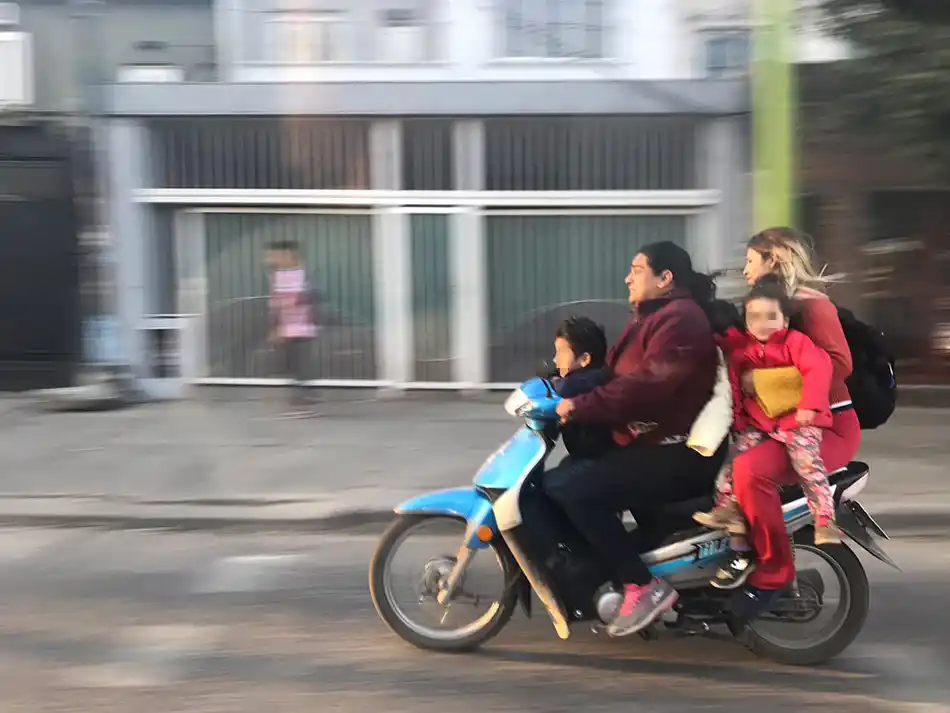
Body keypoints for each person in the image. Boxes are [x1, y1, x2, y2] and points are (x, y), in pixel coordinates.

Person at [545, 241, 724, 637]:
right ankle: (598, 574)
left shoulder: (680, 320)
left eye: (637, 269)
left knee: (578, 491)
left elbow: (646, 387)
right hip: (651, 444)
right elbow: (612, 375)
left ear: (665, 278)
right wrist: (557, 388)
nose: (628, 277)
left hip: (680, 452)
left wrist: (580, 408)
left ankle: (640, 585)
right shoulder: (651, 317)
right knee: (558, 480)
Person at [718, 227, 860, 614]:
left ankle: (774, 573)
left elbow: (839, 364)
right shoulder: (766, 305)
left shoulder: (812, 305)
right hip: (779, 425)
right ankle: (738, 547)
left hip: (825, 426)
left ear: (773, 259)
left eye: (751, 260)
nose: (745, 270)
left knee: (750, 471)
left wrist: (761, 380)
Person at [692, 275, 840, 589]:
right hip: (762, 426)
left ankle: (825, 519)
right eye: (755, 317)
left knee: (807, 465)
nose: (764, 324)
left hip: (799, 423)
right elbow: (732, 380)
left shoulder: (796, 344)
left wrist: (810, 405)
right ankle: (733, 522)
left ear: (785, 319)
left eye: (771, 317)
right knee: (731, 465)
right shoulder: (741, 349)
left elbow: (819, 367)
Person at [267, 240, 319, 415]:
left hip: (304, 328)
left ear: (290, 254)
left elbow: (314, 297)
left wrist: (300, 300)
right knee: (288, 364)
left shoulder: (305, 274)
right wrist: (276, 327)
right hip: (285, 329)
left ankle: (304, 398)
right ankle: (301, 396)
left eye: (277, 255)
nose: (273, 259)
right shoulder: (276, 276)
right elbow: (275, 303)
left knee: (302, 363)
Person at [551, 317, 614, 461]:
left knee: (553, 482)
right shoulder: (598, 376)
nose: (555, 359)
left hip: (596, 460)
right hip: (590, 456)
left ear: (584, 359)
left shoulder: (583, 382)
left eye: (561, 352)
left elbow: (561, 393)